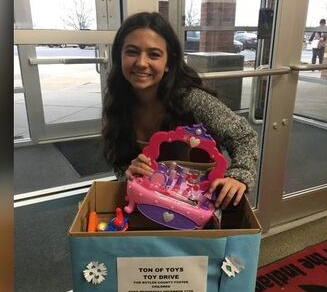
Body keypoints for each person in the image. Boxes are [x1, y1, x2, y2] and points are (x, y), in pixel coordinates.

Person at [102, 12, 258, 209]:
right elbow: (121, 164)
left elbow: (244, 136)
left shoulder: (191, 100)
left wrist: (239, 175)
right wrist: (130, 173)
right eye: (132, 52)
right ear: (119, 56)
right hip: (150, 208)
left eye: (154, 54)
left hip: (200, 210)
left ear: (168, 63)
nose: (141, 63)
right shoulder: (117, 104)